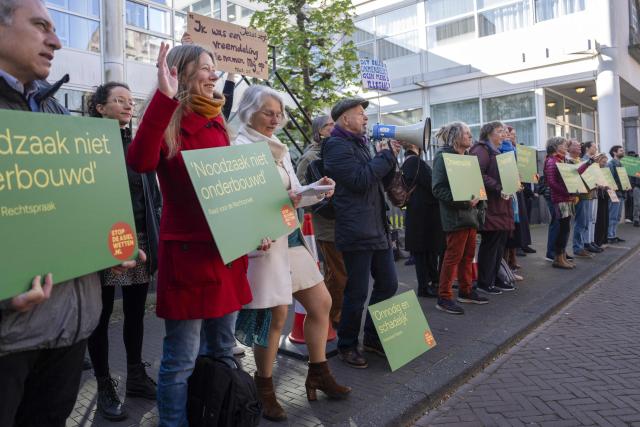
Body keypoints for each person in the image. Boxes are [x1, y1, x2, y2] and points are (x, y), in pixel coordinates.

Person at [0, 2, 142, 425]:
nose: (57, 41)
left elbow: (79, 204)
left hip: (69, 329)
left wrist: (105, 245)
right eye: (41, 26)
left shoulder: (55, 112)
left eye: (56, 29)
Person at [127, 42, 253, 427]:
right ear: (181, 73)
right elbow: (139, 161)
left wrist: (256, 227)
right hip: (191, 258)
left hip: (227, 255)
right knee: (180, 360)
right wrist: (163, 99)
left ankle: (216, 417)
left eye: (215, 67)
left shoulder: (218, 121)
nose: (214, 74)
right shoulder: (170, 121)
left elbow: (233, 191)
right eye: (205, 67)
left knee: (221, 352)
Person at [233, 85, 349, 422]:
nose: (275, 119)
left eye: (278, 113)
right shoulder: (238, 147)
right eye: (268, 112)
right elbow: (241, 201)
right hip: (265, 242)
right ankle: (264, 387)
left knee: (321, 302)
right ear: (249, 111)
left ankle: (318, 372)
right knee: (276, 316)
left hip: (291, 235)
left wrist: (317, 192)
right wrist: (259, 227)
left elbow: (292, 194)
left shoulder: (279, 148)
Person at [86, 82, 161, 420]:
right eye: (119, 100)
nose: (128, 106)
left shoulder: (137, 144)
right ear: (100, 107)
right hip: (102, 243)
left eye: (131, 101)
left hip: (139, 241)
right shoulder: (87, 144)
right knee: (100, 317)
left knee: (135, 311)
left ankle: (136, 376)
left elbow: (151, 193)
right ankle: (104, 384)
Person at [324, 97, 400, 369]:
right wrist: (384, 158)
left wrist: (390, 161)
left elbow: (376, 181)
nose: (366, 119)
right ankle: (346, 344)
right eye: (360, 114)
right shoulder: (335, 146)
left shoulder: (362, 145)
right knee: (356, 292)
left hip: (376, 227)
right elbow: (358, 180)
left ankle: (370, 336)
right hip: (356, 230)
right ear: (345, 119)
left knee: (389, 284)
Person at [296, 115, 347, 328]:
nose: (334, 127)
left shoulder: (337, 150)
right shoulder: (309, 157)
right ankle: (331, 317)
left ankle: (335, 313)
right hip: (327, 225)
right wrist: (321, 199)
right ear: (319, 131)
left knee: (342, 273)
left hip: (344, 222)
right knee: (337, 274)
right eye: (329, 125)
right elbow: (300, 189)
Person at [432, 122, 488, 315]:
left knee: (467, 255)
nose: (470, 137)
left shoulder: (469, 158)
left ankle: (465, 290)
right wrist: (465, 202)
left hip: (470, 216)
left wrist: (479, 199)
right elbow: (438, 188)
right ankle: (444, 296)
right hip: (456, 216)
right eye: (467, 133)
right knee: (452, 256)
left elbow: (477, 185)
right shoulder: (443, 158)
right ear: (456, 136)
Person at [469, 121, 515, 294]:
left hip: (501, 206)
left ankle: (495, 278)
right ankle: (484, 282)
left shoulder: (498, 151)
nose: (504, 134)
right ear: (488, 133)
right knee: (491, 245)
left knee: (499, 245)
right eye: (499, 131)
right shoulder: (481, 150)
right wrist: (498, 186)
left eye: (504, 131)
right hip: (491, 206)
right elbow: (478, 174)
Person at [401, 140, 445, 298]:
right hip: (423, 216)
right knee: (423, 253)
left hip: (422, 214)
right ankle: (424, 287)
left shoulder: (411, 161)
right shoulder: (413, 161)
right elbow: (431, 184)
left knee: (428, 251)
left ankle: (432, 282)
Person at [543, 137, 590, 269]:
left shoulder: (562, 160)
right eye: (563, 145)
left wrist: (589, 163)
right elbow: (551, 183)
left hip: (566, 199)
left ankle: (562, 256)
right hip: (560, 199)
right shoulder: (552, 161)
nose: (566, 147)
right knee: (562, 229)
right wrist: (568, 192)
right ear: (555, 146)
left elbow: (575, 173)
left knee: (565, 229)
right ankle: (558, 258)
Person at [566, 139, 594, 259]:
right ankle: (577, 248)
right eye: (576, 145)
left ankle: (581, 246)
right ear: (569, 147)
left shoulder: (580, 160)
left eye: (579, 145)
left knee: (586, 222)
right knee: (580, 222)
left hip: (587, 194)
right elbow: (574, 175)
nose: (579, 147)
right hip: (579, 195)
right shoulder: (569, 161)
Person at [581, 142, 604, 253]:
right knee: (588, 218)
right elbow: (585, 175)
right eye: (594, 146)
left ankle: (591, 241)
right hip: (588, 192)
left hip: (595, 191)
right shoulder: (584, 160)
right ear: (587, 148)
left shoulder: (594, 161)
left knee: (593, 219)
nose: (596, 148)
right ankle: (586, 242)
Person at [608, 145, 626, 243]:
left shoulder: (621, 164)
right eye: (620, 150)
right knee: (612, 215)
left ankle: (614, 234)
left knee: (618, 216)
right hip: (614, 193)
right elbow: (609, 179)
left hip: (621, 193)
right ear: (614, 152)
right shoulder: (611, 164)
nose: (623, 152)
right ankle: (610, 235)